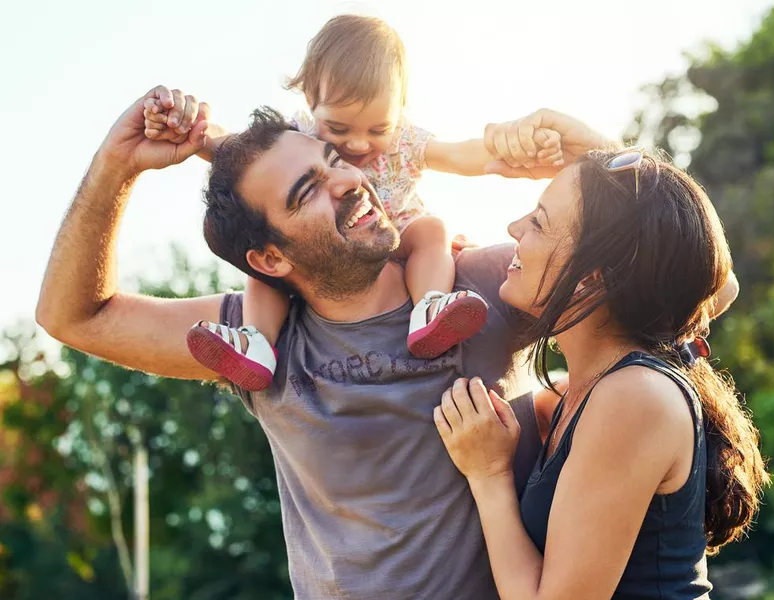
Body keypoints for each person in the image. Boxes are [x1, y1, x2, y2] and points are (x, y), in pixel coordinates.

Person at [36, 85, 562, 599]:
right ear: (269, 261)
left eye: (334, 159)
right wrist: (117, 162)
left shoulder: (484, 286)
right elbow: (74, 316)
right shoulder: (256, 344)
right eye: (308, 190)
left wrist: (621, 425)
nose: (350, 180)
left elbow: (631, 251)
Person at [433, 117, 768, 599]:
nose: (513, 228)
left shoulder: (633, 397)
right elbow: (710, 278)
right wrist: (608, 164)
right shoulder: (591, 390)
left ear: (592, 278)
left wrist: (489, 475)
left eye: (539, 222)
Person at [142, 15, 563, 390]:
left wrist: (506, 154)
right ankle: (256, 342)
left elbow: (456, 154)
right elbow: (232, 147)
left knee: (432, 230)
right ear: (310, 99)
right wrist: (186, 127)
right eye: (339, 128)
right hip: (331, 249)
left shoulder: (404, 142)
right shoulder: (299, 138)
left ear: (399, 111)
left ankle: (430, 306)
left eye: (378, 128)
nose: (359, 143)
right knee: (270, 269)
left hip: (395, 235)